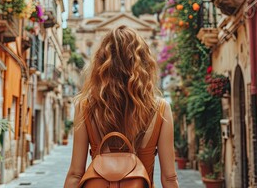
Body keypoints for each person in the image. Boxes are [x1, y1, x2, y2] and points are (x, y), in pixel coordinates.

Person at [64, 26, 179, 188]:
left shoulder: (85, 106)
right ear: (143, 63)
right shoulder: (161, 108)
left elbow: (76, 174)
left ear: (101, 63)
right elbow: (169, 178)